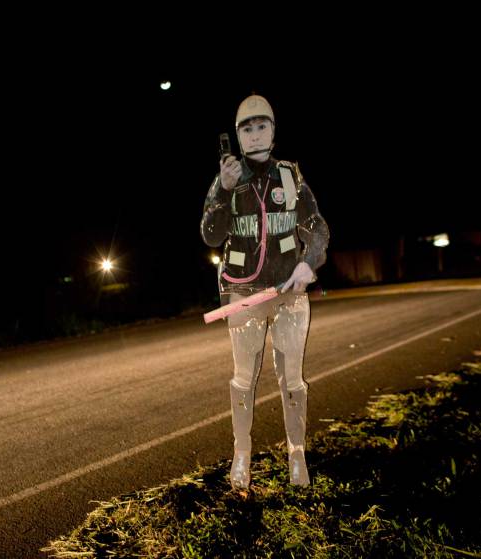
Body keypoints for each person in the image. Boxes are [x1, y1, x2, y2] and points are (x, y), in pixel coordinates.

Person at [200, 94, 330, 489]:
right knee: (243, 378)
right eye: (247, 129)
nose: (255, 135)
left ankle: (297, 455)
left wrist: (309, 263)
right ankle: (242, 455)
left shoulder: (290, 176)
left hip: (289, 292)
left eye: (262, 126)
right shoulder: (226, 179)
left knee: (293, 378)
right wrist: (223, 192)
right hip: (244, 295)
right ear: (238, 136)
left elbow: (317, 227)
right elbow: (211, 235)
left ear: (273, 131)